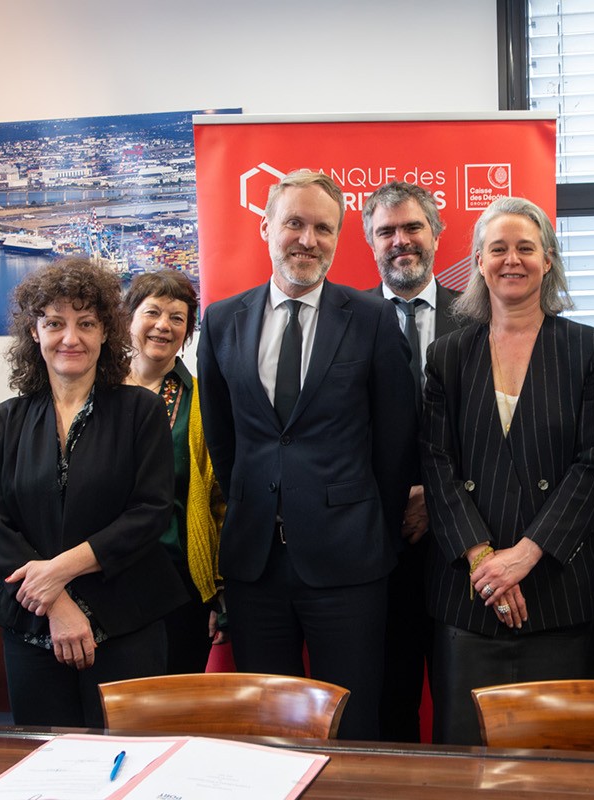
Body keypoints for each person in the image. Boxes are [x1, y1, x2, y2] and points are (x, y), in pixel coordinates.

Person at [198, 170, 416, 741]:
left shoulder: (370, 320)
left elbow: (395, 445)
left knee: (352, 723)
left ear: (339, 237)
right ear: (266, 226)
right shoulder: (223, 319)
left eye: (324, 227)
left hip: (350, 563)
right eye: (294, 222)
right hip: (255, 564)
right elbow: (225, 441)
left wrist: (376, 532)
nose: (307, 239)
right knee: (269, 725)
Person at [420, 197, 594, 745]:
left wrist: (525, 556)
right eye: (498, 249)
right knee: (469, 758)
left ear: (548, 260)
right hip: (470, 592)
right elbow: (437, 467)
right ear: (479, 262)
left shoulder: (592, 351)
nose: (513, 260)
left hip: (558, 588)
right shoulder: (447, 356)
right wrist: (487, 562)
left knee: (560, 757)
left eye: (526, 248)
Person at [0, 257, 187, 727]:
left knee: (126, 763)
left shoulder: (142, 411)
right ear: (35, 332)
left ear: (105, 333)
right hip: (32, 623)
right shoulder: (4, 420)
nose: (70, 338)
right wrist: (56, 600)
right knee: (45, 764)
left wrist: (57, 572)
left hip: (127, 618)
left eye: (86, 324)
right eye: (55, 323)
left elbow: (150, 512)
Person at [363, 180, 468, 741]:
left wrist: (433, 493)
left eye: (412, 228)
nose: (400, 242)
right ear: (371, 243)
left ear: (436, 234)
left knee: (463, 695)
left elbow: (495, 428)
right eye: (386, 232)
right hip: (379, 541)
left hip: (467, 539)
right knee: (390, 697)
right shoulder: (347, 320)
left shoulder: (480, 315)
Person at [123, 268, 224, 675]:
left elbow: (219, 501)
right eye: (152, 313)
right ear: (128, 319)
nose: (163, 326)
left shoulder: (203, 402)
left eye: (177, 318)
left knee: (174, 707)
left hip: (179, 585)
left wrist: (218, 591)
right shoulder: (94, 392)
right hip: (102, 581)